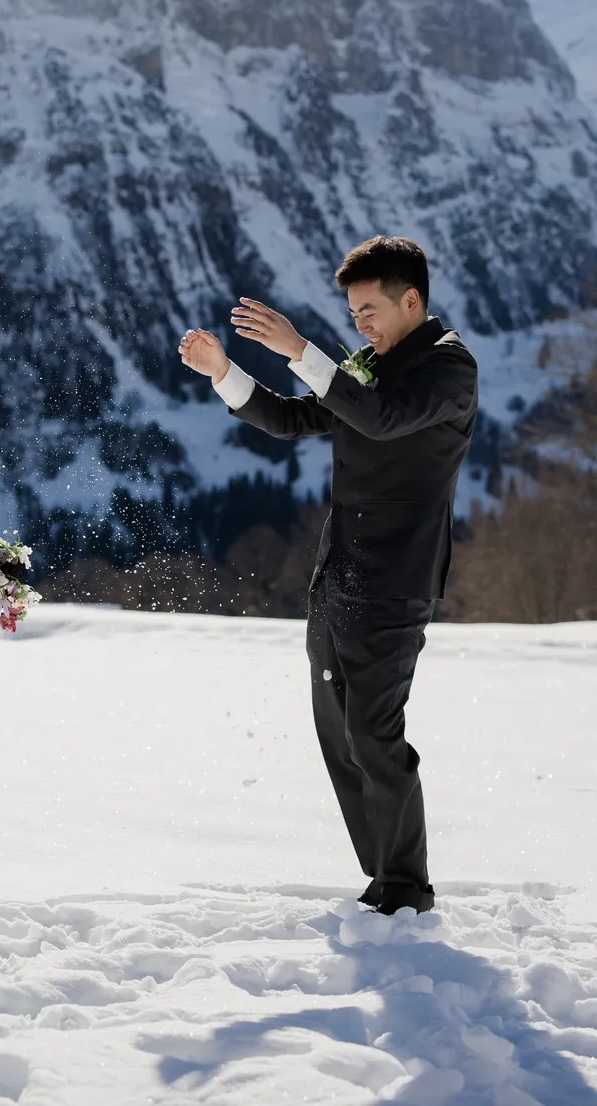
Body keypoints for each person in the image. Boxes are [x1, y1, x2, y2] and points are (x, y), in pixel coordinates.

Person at [179, 236, 478, 916]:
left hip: (395, 582)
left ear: (412, 300)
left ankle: (405, 890)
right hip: (337, 574)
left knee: (375, 732)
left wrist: (299, 349)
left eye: (370, 309)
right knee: (340, 733)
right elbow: (290, 419)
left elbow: (380, 415)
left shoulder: (449, 368)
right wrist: (225, 371)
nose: (361, 324)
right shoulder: (370, 364)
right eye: (353, 314)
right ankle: (383, 879)